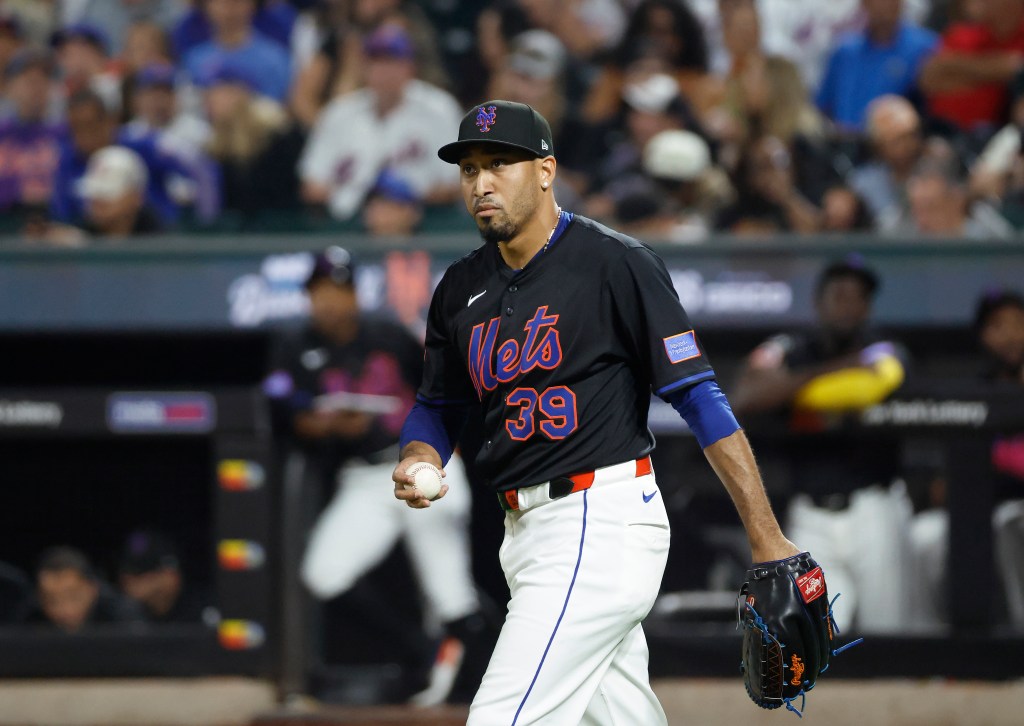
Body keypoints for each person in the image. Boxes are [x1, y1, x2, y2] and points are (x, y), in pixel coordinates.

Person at [392, 100, 800, 724]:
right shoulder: (458, 288)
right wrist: (420, 452)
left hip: (598, 521)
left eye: (501, 163)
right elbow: (438, 403)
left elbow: (698, 395)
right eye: (470, 169)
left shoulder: (616, 262)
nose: (483, 182)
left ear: (546, 171)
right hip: (525, 536)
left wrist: (766, 537)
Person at [264, 247, 492, 705]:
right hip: (364, 478)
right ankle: (423, 651)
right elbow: (284, 410)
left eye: (339, 290)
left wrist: (449, 452)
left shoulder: (388, 335)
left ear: (353, 294)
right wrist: (327, 425)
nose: (330, 301)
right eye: (320, 291)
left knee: (450, 596)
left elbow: (442, 390)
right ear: (309, 296)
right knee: (325, 573)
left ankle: (494, 684)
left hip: (421, 466)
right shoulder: (295, 345)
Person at [730, 257, 912, 633]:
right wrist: (829, 376)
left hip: (873, 508)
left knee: (890, 629)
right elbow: (744, 397)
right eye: (838, 295)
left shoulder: (883, 347)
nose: (847, 305)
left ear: (867, 307)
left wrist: (799, 396)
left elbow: (889, 374)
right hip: (810, 516)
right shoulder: (793, 347)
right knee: (813, 635)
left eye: (856, 298)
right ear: (818, 303)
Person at [298, 23, 461, 222]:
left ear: (410, 67)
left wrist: (406, 199)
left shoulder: (439, 108)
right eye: (376, 62)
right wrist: (360, 196)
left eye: (392, 61)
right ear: (364, 68)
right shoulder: (339, 113)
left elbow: (459, 182)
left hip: (427, 220)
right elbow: (311, 186)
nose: (384, 71)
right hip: (350, 224)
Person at [816, 0, 938, 132]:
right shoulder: (845, 51)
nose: (886, 5)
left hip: (898, 143)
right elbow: (822, 105)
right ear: (864, 4)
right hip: (845, 142)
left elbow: (936, 108)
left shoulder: (925, 48)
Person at [25, 546, 142, 632]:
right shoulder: (29, 619)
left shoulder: (123, 618)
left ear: (93, 589)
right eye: (52, 601)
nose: (65, 611)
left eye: (74, 597)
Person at [118, 530, 216, 625]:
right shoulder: (121, 614)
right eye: (134, 575)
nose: (136, 585)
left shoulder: (202, 610)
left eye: (151, 576)